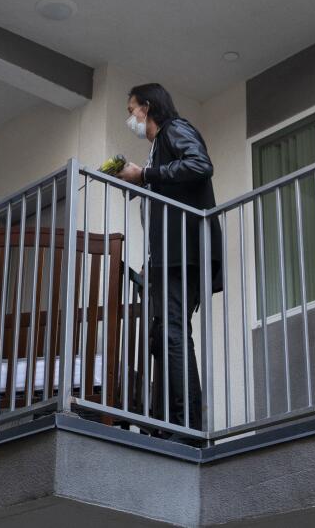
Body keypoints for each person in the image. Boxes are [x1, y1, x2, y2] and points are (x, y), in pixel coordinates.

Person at [117, 83, 223, 436]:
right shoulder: (157, 149)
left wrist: (146, 175)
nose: (130, 117)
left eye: (132, 109)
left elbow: (199, 165)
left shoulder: (175, 130)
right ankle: (170, 422)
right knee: (163, 335)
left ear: (147, 107)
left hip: (184, 253)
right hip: (170, 255)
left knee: (172, 333)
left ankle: (186, 425)